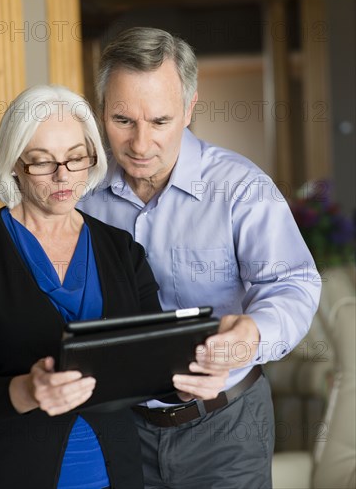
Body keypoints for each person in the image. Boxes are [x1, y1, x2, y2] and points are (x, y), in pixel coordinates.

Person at [79, 27, 322, 489]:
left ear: (190, 108)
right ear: (101, 110)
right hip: (118, 428)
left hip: (227, 426)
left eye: (161, 121)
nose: (140, 143)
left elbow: (294, 284)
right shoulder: (82, 195)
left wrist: (252, 334)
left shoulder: (241, 187)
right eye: (122, 120)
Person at [0, 84, 227, 489]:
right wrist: (25, 391)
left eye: (76, 158)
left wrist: (189, 383)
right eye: (43, 162)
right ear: (14, 163)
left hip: (115, 470)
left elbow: (154, 361)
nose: (63, 176)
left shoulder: (120, 250)